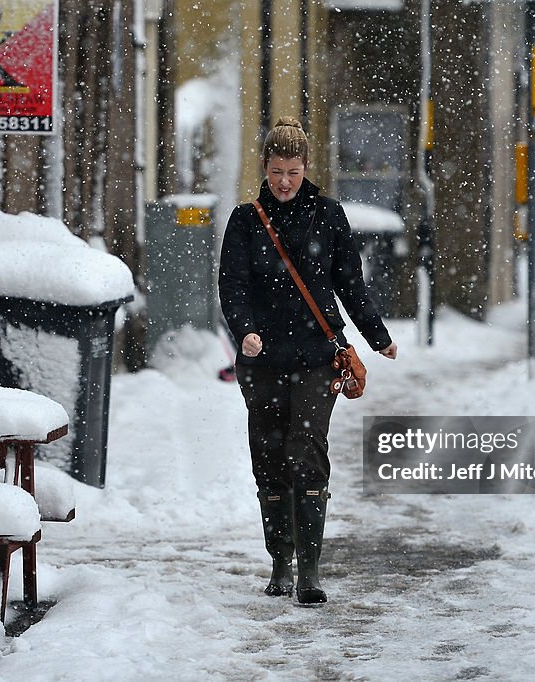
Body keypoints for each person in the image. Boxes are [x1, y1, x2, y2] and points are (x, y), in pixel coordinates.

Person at [218, 117, 398, 605]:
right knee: (269, 455)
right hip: (263, 361)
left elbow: (350, 285)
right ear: (264, 167)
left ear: (306, 168)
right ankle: (280, 559)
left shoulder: (329, 216)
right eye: (276, 171)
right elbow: (231, 286)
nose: (283, 181)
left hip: (318, 358)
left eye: (292, 171)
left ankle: (309, 571)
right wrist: (245, 331)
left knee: (306, 447)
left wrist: (376, 335)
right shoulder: (245, 220)